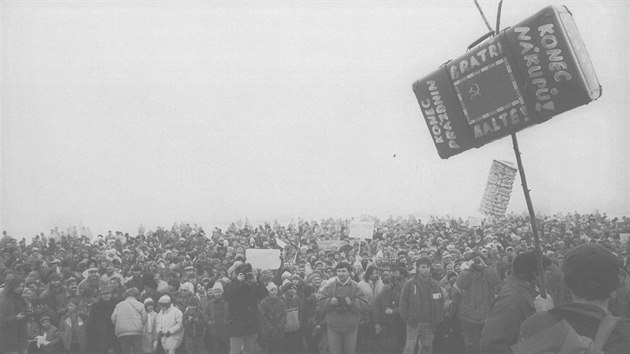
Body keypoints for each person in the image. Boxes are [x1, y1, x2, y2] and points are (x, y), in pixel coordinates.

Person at [513, 244, 630, 354]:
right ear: (615, 286)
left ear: (565, 283)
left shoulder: (535, 324)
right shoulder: (624, 333)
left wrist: (543, 317)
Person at [479, 251, 548, 354]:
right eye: (546, 271)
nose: (548, 274)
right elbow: (491, 347)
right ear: (535, 274)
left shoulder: (530, 290)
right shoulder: (509, 301)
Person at [454, 252, 503, 354]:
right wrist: (469, 268)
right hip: (467, 316)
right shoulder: (465, 273)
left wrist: (485, 267)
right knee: (472, 345)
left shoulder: (488, 272)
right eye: (474, 260)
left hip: (486, 314)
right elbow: (459, 285)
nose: (477, 262)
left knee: (488, 344)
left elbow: (497, 285)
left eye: (478, 260)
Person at [317, 261, 369, 354]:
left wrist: (352, 303)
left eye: (343, 271)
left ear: (349, 272)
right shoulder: (329, 286)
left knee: (349, 351)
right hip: (333, 327)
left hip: (351, 327)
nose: (341, 274)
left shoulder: (356, 286)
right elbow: (320, 304)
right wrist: (330, 302)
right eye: (339, 271)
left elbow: (365, 304)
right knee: (334, 351)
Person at [399, 257, 448, 354]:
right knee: (409, 347)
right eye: (423, 267)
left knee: (427, 347)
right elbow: (403, 302)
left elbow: (440, 303)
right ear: (418, 268)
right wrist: (407, 318)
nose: (426, 270)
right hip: (413, 323)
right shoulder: (410, 284)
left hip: (429, 323)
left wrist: (437, 319)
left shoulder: (435, 284)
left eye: (428, 267)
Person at [224, 262, 268, 354]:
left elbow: (264, 293)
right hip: (236, 325)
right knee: (234, 351)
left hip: (251, 324)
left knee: (249, 351)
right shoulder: (231, 284)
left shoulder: (254, 285)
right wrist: (238, 281)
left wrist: (256, 281)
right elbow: (227, 296)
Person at [111, 287, 146, 354]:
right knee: (138, 350)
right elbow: (144, 318)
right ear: (137, 295)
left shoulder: (119, 305)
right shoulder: (141, 305)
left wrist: (120, 324)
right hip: (137, 331)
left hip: (122, 331)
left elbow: (113, 318)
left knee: (125, 351)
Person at [0, 277, 29, 354]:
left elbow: (25, 318)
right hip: (9, 339)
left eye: (22, 286)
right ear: (13, 286)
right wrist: (15, 318)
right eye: (19, 286)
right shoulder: (4, 301)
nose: (21, 288)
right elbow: (1, 320)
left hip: (22, 337)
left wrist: (29, 313)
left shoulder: (21, 299)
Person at [207, 281, 229, 354]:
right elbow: (205, 313)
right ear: (213, 293)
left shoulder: (226, 302)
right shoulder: (210, 303)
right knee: (215, 344)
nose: (217, 293)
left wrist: (228, 320)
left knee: (226, 343)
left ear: (222, 292)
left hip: (224, 325)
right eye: (215, 292)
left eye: (219, 291)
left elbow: (231, 312)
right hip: (214, 326)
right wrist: (209, 321)